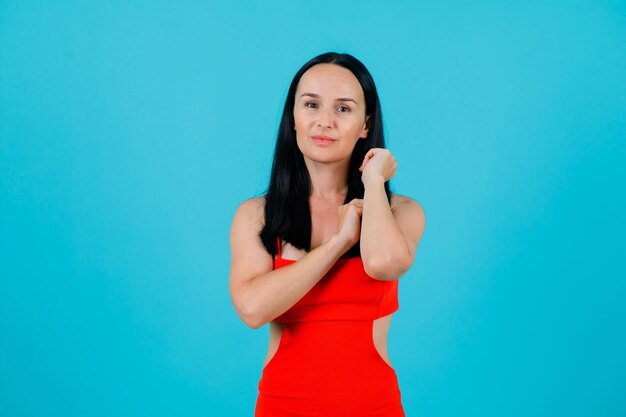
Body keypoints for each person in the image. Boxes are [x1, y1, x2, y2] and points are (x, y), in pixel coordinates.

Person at [229, 52, 426, 416]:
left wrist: (373, 181)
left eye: (344, 109)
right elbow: (253, 309)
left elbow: (385, 263)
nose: (325, 122)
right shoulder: (257, 216)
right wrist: (338, 243)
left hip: (375, 407)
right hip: (282, 407)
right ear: (293, 117)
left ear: (366, 125)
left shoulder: (400, 211)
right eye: (312, 105)